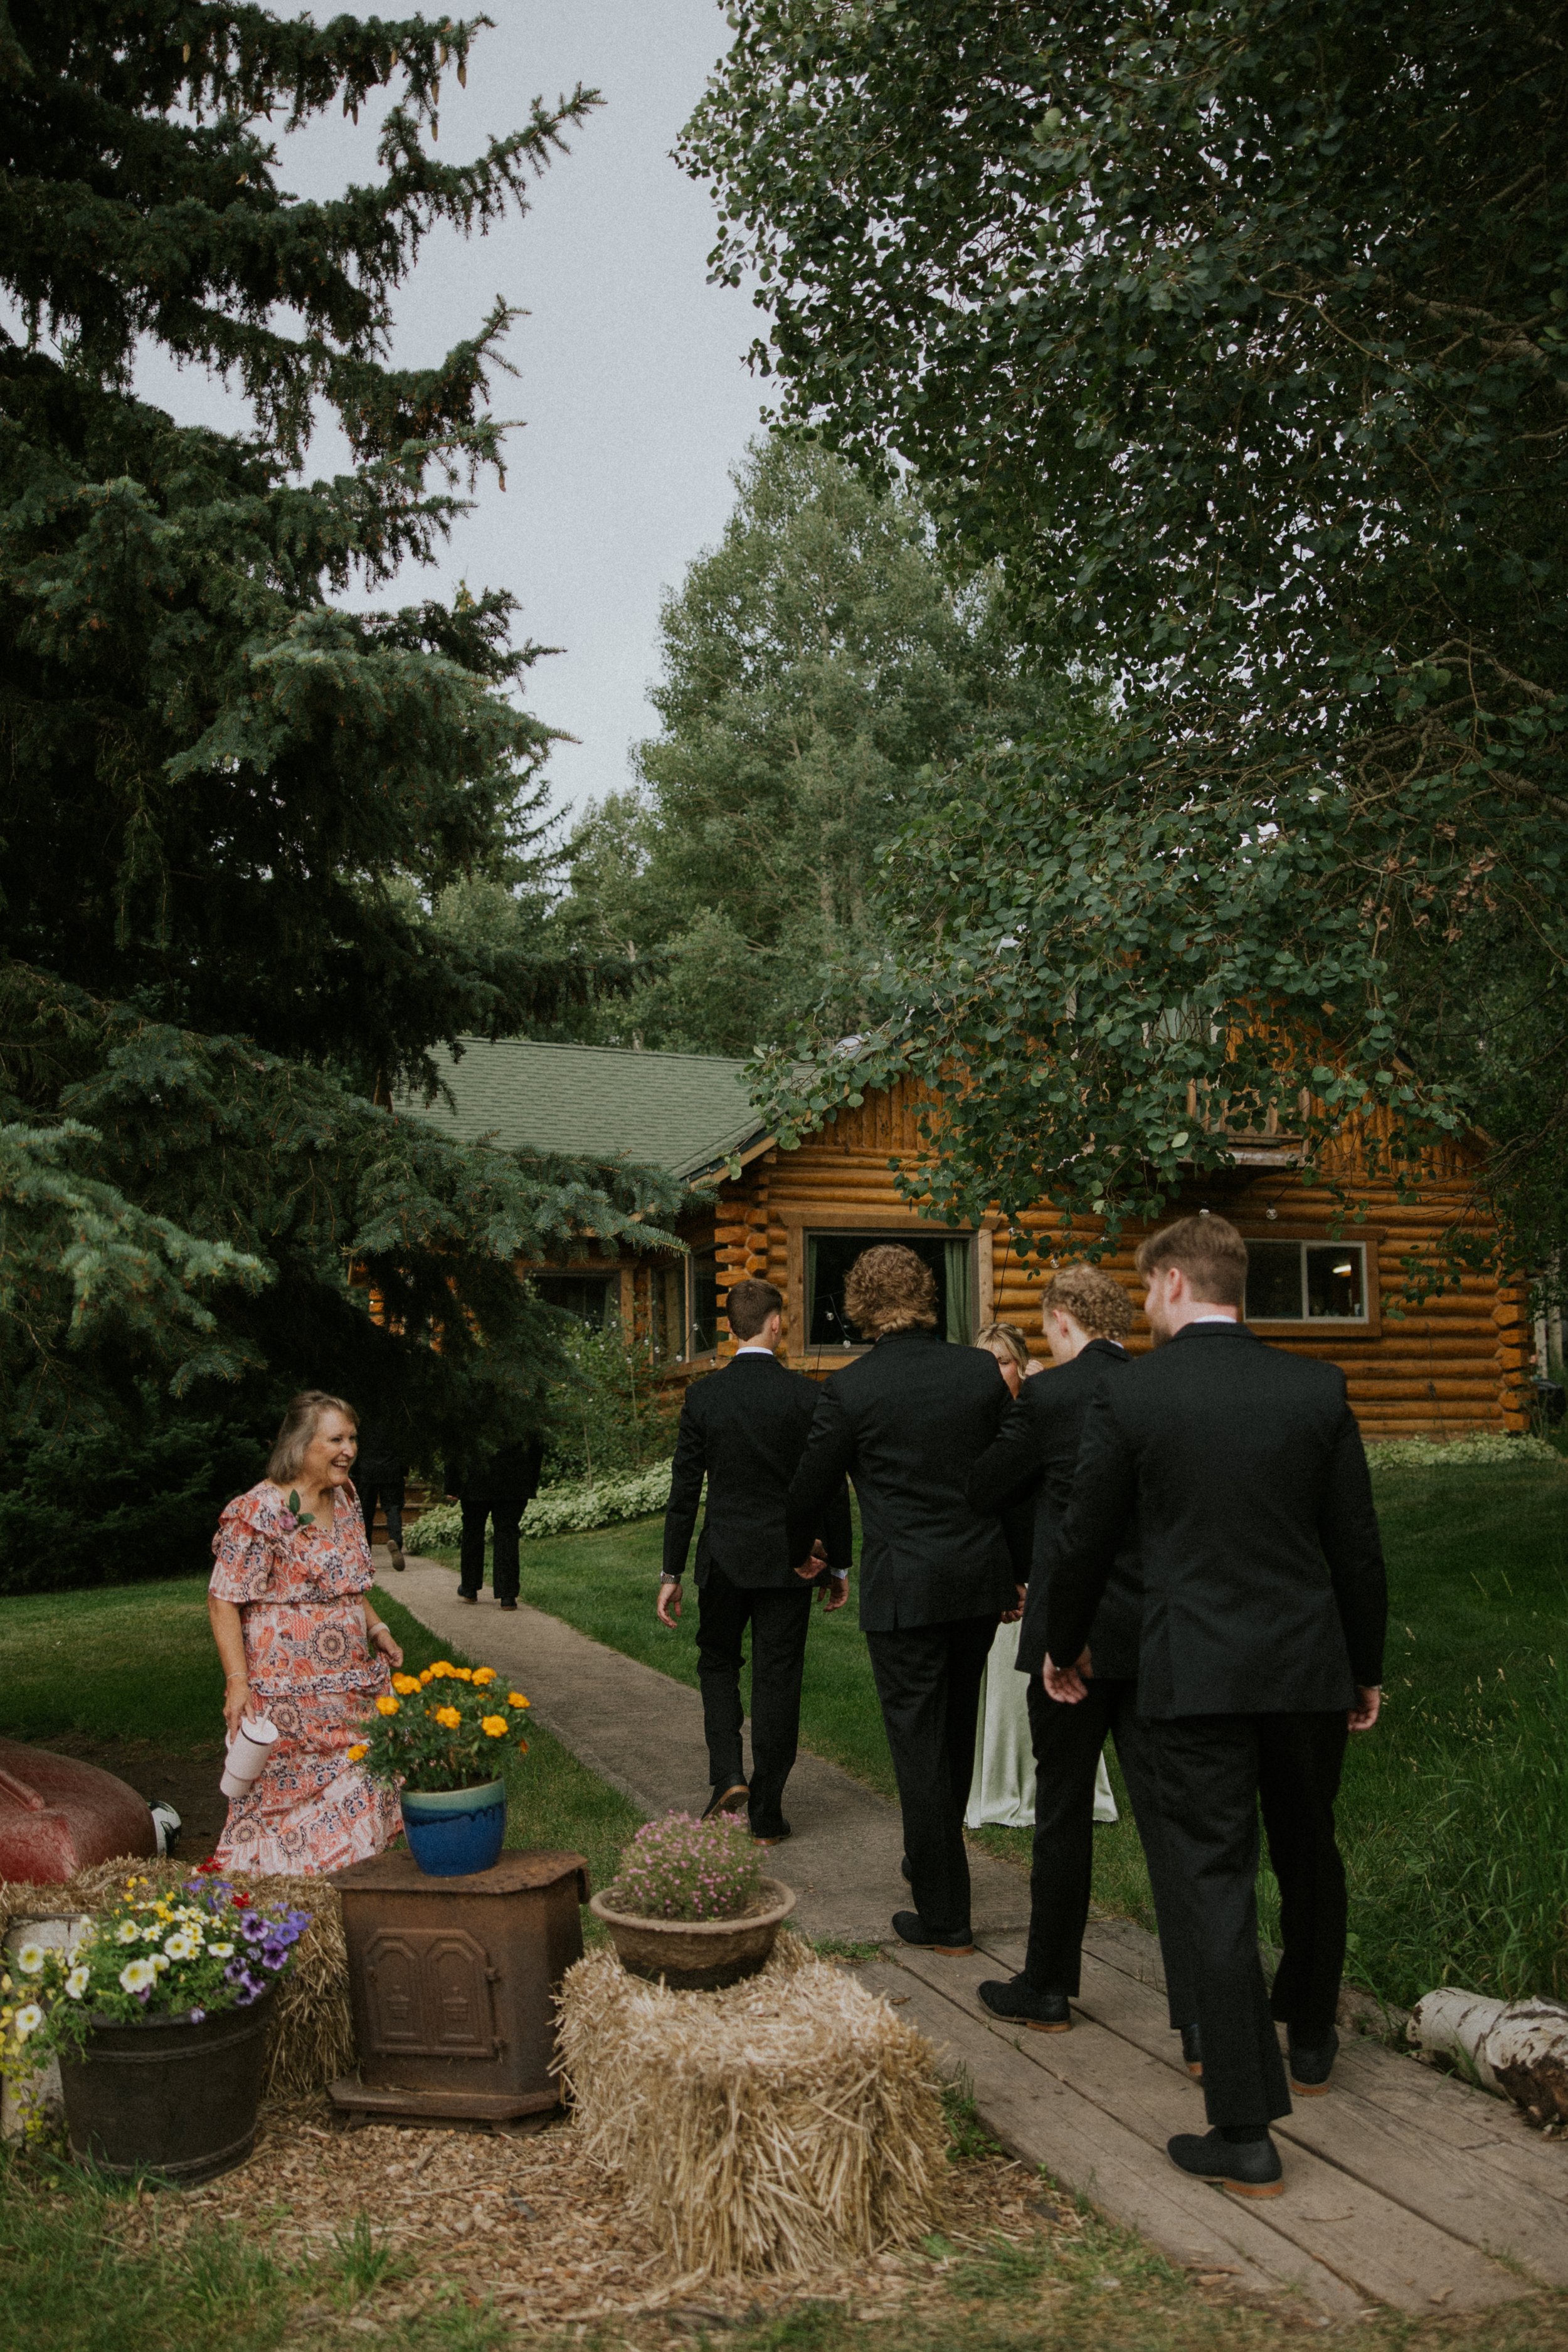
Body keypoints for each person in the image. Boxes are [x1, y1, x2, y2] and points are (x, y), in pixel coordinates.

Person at [1044, 1215, 1387, 2199]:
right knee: (1309, 1843)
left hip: (1192, 1672)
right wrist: (1363, 1666)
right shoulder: (1315, 1388)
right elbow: (1355, 1544)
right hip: (1306, 1665)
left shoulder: (1133, 1392)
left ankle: (1244, 2129)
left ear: (1172, 1282)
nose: (1146, 1305)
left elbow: (1085, 1536)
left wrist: (1065, 1645)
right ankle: (1311, 2035)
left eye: (1148, 1288)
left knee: (1213, 1877)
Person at [965, 1266, 1194, 2055]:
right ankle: (1202, 2017)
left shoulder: (1049, 1397)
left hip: (1068, 1635)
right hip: (1154, 1628)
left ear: (1061, 1321)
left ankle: (1048, 1987)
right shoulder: (1161, 1388)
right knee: (1169, 1822)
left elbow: (985, 1487)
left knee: (1061, 1812)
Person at [787, 1245, 1018, 1953]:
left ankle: (945, 1917)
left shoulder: (851, 1388)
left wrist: (802, 1552)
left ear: (860, 1305)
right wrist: (1015, 1568)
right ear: (926, 1294)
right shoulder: (977, 1371)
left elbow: (809, 1486)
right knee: (952, 1734)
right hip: (975, 1581)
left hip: (905, 1587)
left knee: (919, 1747)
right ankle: (928, 1859)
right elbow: (1014, 1472)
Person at [659, 1278, 853, 1841]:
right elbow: (829, 1486)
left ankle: (727, 1774)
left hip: (724, 1558)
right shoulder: (808, 1396)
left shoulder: (704, 1397)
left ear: (729, 1328)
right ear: (775, 1324)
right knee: (778, 1678)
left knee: (718, 1662)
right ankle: (767, 1814)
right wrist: (839, 1565)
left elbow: (683, 1491)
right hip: (790, 1562)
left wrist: (671, 1571)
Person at [207, 1391, 405, 1874]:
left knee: (368, 1774)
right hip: (286, 1697)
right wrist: (237, 1682)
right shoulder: (258, 1511)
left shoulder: (347, 1498)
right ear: (300, 1444)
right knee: (281, 1803)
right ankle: (271, 1895)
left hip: (349, 1686)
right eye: (335, 1440)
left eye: (352, 1438)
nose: (349, 1450)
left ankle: (349, 1887)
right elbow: (223, 1599)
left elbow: (344, 1583)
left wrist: (376, 1627)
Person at [964, 1323, 1041, 1829]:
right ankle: (990, 1781)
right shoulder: (971, 1429)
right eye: (986, 1363)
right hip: (987, 1571)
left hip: (1036, 1568)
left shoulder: (1037, 1421)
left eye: (1004, 1362)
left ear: (1022, 1368)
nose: (995, 1373)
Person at [447, 1435, 546, 1610]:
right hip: (513, 1477)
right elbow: (535, 1441)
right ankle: (507, 1595)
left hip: (476, 1475)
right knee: (507, 1533)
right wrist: (530, 1480)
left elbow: (456, 1439)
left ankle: (470, 1588)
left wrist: (452, 1484)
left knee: (473, 1530)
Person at [355, 1413, 408, 1572]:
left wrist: (355, 1471)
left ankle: (366, 1552)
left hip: (367, 1470)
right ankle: (395, 1541)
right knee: (393, 1508)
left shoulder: (362, 1418)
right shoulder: (395, 1416)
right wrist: (404, 1470)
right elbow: (404, 1445)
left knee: (365, 1513)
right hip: (391, 1469)